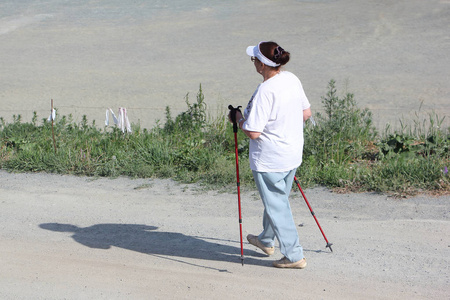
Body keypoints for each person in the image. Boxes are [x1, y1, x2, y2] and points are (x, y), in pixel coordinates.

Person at [230, 41, 312, 269]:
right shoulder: (291, 78)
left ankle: (294, 256)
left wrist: (238, 119)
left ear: (262, 65)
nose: (253, 62)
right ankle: (266, 240)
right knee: (277, 201)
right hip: (292, 153)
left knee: (277, 205)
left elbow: (254, 132)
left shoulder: (266, 90)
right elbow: (306, 113)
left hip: (269, 160)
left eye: (254, 59)